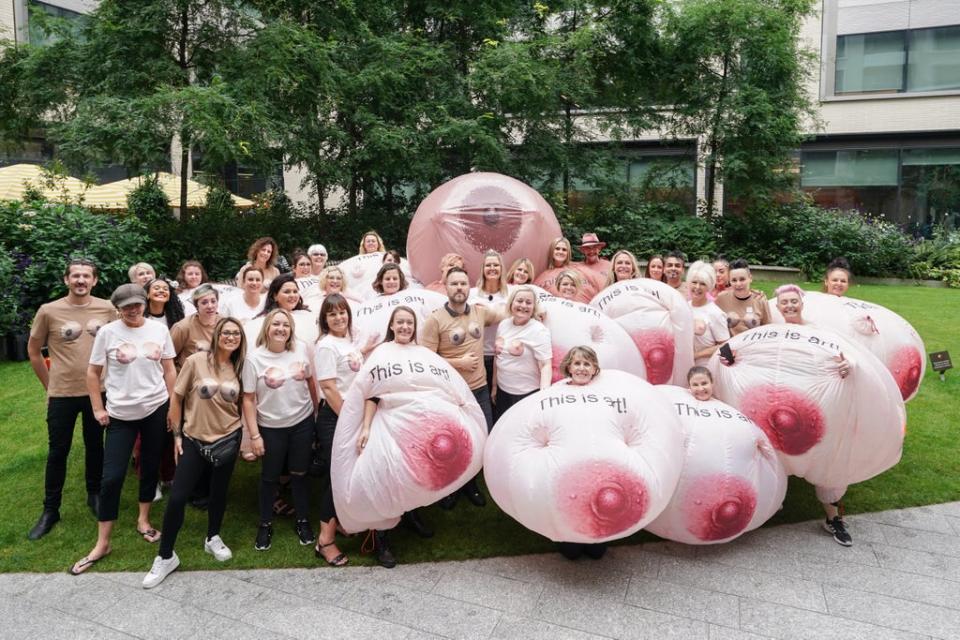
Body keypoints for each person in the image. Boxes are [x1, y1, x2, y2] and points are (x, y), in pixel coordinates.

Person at [69, 283, 177, 575]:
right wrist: (97, 408)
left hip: (156, 408)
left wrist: (174, 408)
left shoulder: (159, 330)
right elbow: (93, 373)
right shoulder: (108, 332)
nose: (133, 310)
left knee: (150, 466)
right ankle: (103, 542)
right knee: (112, 477)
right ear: (118, 308)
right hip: (120, 414)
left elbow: (169, 369)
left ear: (144, 303)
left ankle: (143, 520)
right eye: (126, 306)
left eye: (137, 304)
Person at [142, 318, 247, 588]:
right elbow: (176, 398)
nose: (231, 337)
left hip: (228, 437)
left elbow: (248, 402)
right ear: (217, 335)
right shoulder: (196, 361)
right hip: (194, 439)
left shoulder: (242, 365)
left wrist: (245, 437)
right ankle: (166, 556)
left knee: (219, 492)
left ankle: (213, 537)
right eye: (226, 332)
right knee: (177, 497)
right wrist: (176, 434)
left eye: (236, 333)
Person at [26, 258, 117, 540]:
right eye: (75, 276)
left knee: (95, 447)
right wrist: (49, 386)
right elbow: (33, 351)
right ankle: (51, 509)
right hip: (63, 394)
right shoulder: (49, 311)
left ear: (94, 281)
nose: (80, 280)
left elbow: (118, 344)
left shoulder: (107, 308)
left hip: (97, 393)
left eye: (86, 276)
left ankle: (94, 495)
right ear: (66, 280)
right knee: (58, 452)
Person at [773, 283, 854, 546]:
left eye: (793, 301)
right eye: (784, 302)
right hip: (782, 401)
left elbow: (843, 355)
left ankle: (834, 517)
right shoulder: (772, 332)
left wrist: (846, 364)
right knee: (775, 450)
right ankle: (773, 500)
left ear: (801, 303)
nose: (789, 306)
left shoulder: (819, 332)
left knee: (825, 457)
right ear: (777, 306)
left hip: (816, 401)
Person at [421, 267, 507, 509]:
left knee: (482, 437)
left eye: (462, 284)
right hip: (451, 393)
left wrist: (540, 310)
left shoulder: (479, 313)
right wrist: (459, 362)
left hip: (478, 389)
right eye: (454, 284)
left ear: (468, 288)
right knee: (453, 442)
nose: (459, 288)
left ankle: (470, 484)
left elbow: (505, 311)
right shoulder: (434, 320)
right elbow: (425, 358)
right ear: (446, 288)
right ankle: (451, 488)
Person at [355, 306, 429, 568]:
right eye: (400, 322)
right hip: (387, 421)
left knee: (414, 473)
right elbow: (372, 392)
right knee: (387, 477)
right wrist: (366, 427)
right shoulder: (382, 352)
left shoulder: (422, 353)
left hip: (414, 423)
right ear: (392, 326)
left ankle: (411, 515)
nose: (405, 327)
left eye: (409, 322)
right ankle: (382, 538)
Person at [241, 308, 318, 551]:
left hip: (302, 423)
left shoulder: (301, 350)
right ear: (267, 328)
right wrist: (254, 435)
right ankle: (265, 524)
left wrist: (315, 416)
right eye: (276, 324)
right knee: (269, 478)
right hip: (271, 427)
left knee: (299, 474)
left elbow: (310, 383)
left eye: (286, 325)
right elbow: (248, 399)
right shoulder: (254, 359)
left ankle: (303, 520)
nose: (281, 329)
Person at [312, 294, 366, 567]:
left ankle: (340, 523)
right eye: (332, 314)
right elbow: (329, 387)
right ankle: (324, 541)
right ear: (325, 319)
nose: (339, 318)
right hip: (336, 417)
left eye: (342, 312)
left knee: (346, 477)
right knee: (337, 479)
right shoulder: (326, 346)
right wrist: (350, 419)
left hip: (351, 415)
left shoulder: (349, 342)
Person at [554, 346, 607, 561]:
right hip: (568, 463)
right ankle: (569, 537)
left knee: (597, 551)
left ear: (595, 368)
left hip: (598, 461)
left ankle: (596, 535)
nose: (582, 368)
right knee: (571, 552)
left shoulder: (605, 393)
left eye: (587, 364)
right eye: (577, 363)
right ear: (569, 366)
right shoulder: (557, 392)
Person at [493, 287, 552, 419]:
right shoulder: (503, 325)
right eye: (519, 301)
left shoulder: (539, 330)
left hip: (527, 394)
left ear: (533, 307)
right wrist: (494, 386)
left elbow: (545, 365)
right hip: (503, 391)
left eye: (528, 302)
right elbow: (497, 357)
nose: (523, 305)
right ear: (511, 303)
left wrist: (543, 397)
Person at [469, 250, 509, 395]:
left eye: (496, 265)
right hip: (478, 355)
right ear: (483, 269)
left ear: (501, 269)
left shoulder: (510, 293)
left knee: (499, 400)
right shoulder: (471, 294)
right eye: (488, 265)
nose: (492, 268)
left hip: (503, 355)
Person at [686, 261, 730, 366]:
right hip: (684, 366)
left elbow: (725, 345)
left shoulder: (715, 313)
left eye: (702, 284)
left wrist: (696, 355)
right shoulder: (684, 307)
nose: (697, 287)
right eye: (694, 282)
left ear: (709, 286)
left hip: (706, 369)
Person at [715, 259, 771, 336]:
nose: (738, 284)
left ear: (750, 278)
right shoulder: (721, 298)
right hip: (730, 345)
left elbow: (769, 328)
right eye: (734, 280)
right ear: (729, 281)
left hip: (754, 344)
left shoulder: (760, 299)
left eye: (742, 279)